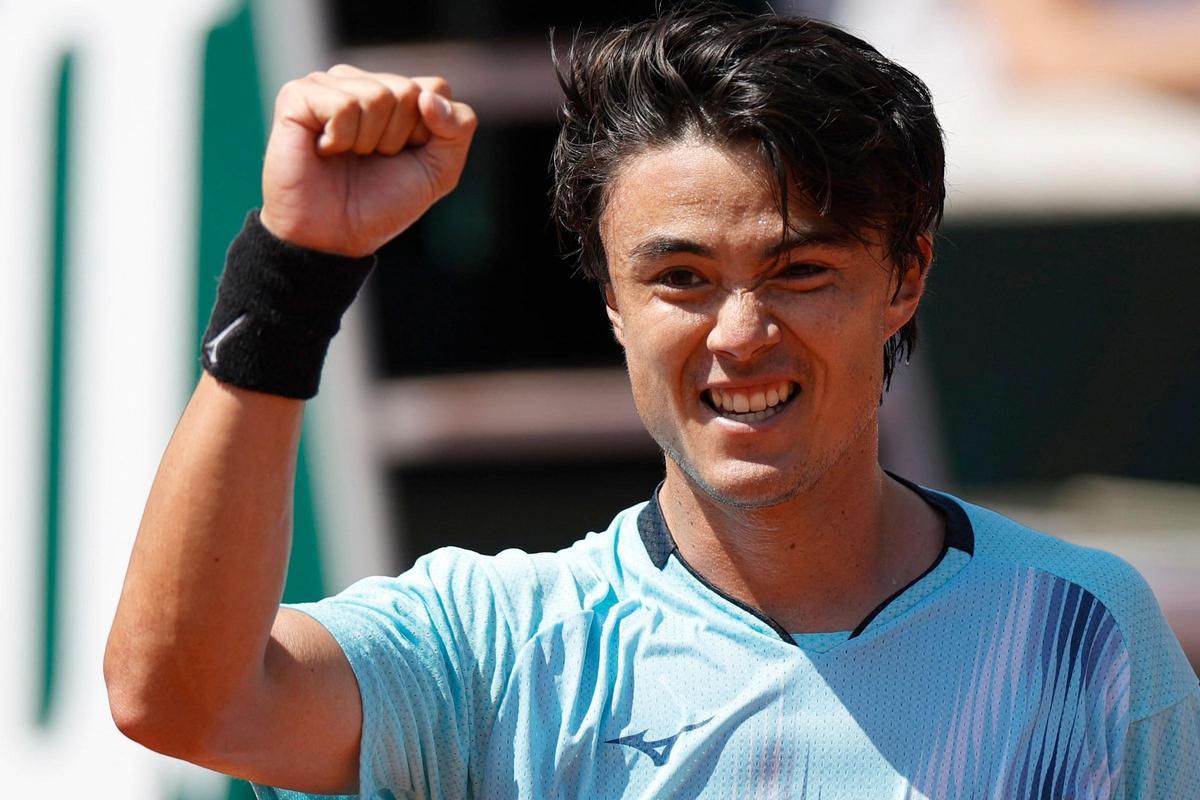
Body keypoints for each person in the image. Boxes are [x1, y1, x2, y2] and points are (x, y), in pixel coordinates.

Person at [104, 7, 1198, 799]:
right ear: (615, 303)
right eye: (679, 279)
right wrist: (294, 269)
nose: (738, 332)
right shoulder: (498, 647)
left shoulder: (1086, 629)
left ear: (904, 277)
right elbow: (181, 700)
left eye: (799, 270)